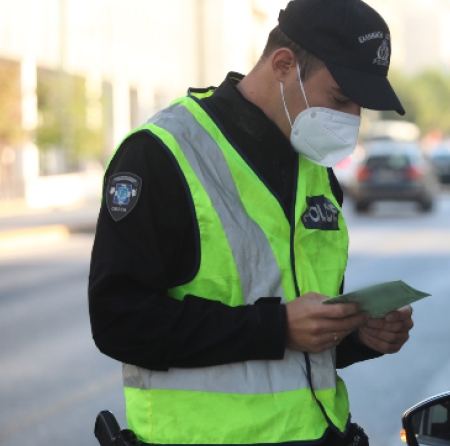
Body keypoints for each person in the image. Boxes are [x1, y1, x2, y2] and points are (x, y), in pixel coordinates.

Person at [87, 0, 413, 445]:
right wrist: (276, 328)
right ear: (283, 65)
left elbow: (304, 336)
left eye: (361, 106)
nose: (351, 119)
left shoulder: (315, 169)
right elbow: (118, 321)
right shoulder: (162, 153)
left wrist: (359, 335)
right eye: (340, 99)